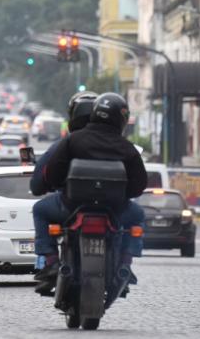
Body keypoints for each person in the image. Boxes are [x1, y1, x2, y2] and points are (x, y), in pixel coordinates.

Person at [32, 92, 147, 295]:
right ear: (121, 120)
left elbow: (53, 172)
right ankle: (126, 263)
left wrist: (59, 185)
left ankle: (50, 261)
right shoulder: (128, 149)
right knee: (137, 215)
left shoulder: (73, 141)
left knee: (40, 209)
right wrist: (121, 195)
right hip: (114, 209)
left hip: (70, 207)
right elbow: (138, 186)